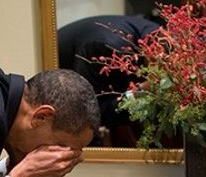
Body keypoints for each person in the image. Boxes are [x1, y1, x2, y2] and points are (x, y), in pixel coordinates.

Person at [57, 14, 160, 146]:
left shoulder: (157, 33)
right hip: (58, 94)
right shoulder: (108, 48)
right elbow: (90, 114)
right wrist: (141, 93)